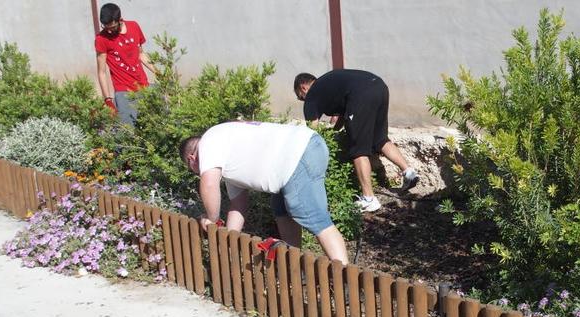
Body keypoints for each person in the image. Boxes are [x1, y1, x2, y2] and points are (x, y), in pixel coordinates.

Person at [179, 121, 348, 264]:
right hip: (305, 146)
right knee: (281, 208)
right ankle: (294, 264)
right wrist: (228, 241)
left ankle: (344, 278)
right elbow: (239, 206)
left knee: (312, 216)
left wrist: (211, 219)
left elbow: (208, 185)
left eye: (191, 169)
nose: (197, 172)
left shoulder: (207, 143)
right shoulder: (224, 154)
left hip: (299, 153)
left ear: (192, 159)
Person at [293, 70, 419, 213]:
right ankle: (409, 173)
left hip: (361, 94)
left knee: (358, 149)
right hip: (379, 86)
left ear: (303, 88)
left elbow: (312, 131)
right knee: (380, 139)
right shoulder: (328, 85)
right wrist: (334, 132)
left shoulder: (312, 96)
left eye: (300, 97)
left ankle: (369, 199)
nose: (303, 100)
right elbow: (345, 114)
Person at [94, 3, 156, 125]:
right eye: (106, 27)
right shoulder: (101, 39)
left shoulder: (134, 26)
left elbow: (141, 54)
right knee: (126, 134)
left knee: (154, 125)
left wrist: (159, 73)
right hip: (124, 91)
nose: (109, 31)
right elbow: (101, 72)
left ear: (120, 20)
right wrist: (108, 100)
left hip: (144, 86)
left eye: (112, 27)